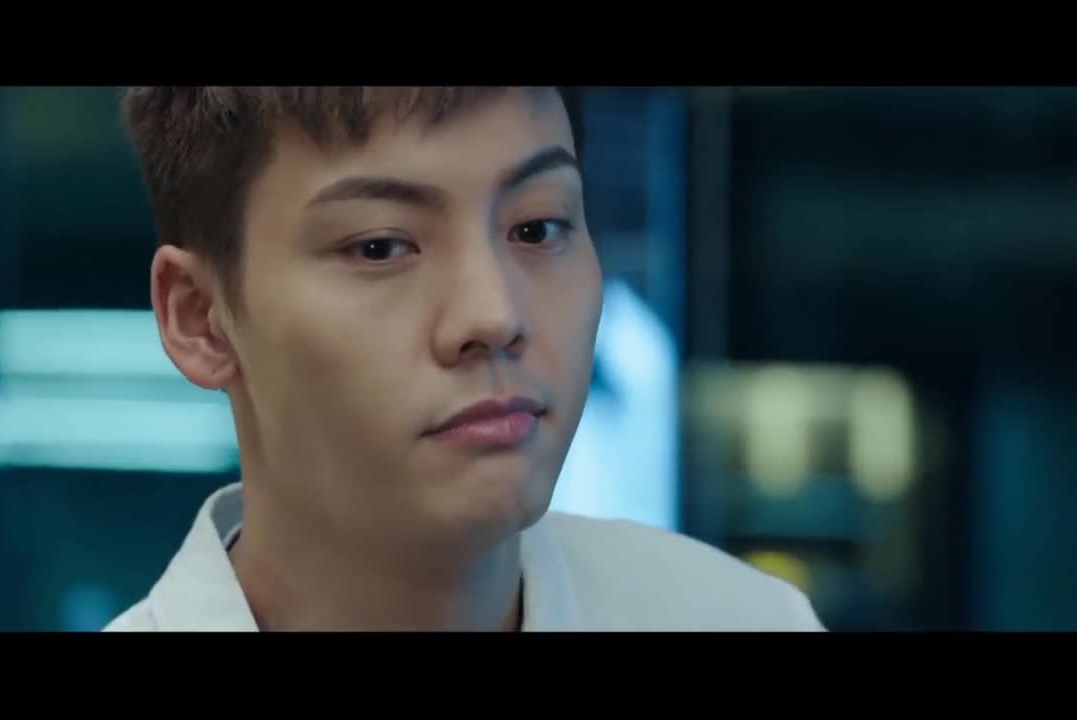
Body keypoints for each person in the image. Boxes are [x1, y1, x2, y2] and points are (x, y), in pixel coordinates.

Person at [104, 86, 825, 632]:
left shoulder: (740, 617)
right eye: (380, 247)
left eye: (538, 228)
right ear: (199, 319)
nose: (495, 315)